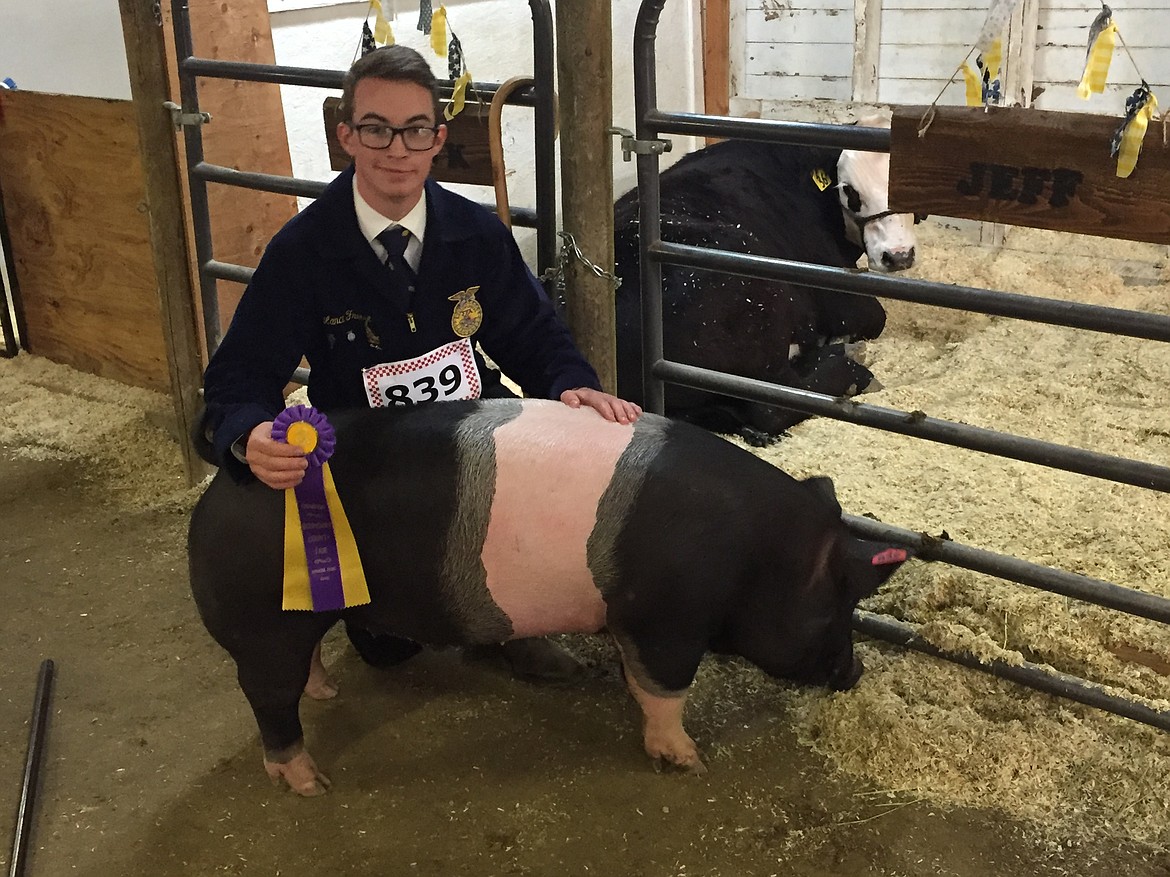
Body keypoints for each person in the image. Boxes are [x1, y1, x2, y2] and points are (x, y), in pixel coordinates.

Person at [198, 44, 641, 697]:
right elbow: (239, 379)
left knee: (518, 542)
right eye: (376, 128)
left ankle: (513, 629)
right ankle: (373, 610)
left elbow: (532, 335)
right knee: (390, 647)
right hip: (372, 462)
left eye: (414, 130)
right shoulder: (302, 253)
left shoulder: (477, 235)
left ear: (438, 140)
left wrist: (569, 382)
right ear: (347, 135)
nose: (396, 149)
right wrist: (248, 435)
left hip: (481, 441)